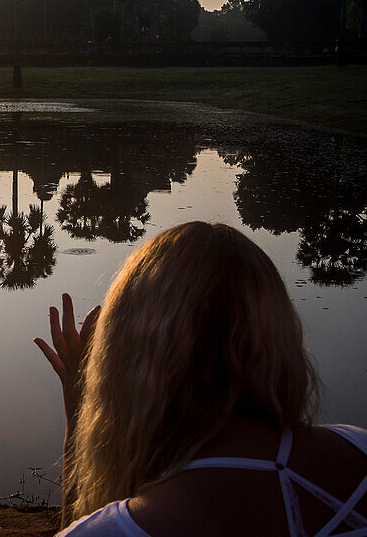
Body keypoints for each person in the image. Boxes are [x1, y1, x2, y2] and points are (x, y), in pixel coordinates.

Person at [34, 221, 367, 536]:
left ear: (133, 355)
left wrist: (81, 408)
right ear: (278, 336)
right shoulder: (358, 446)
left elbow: (86, 523)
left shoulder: (111, 529)